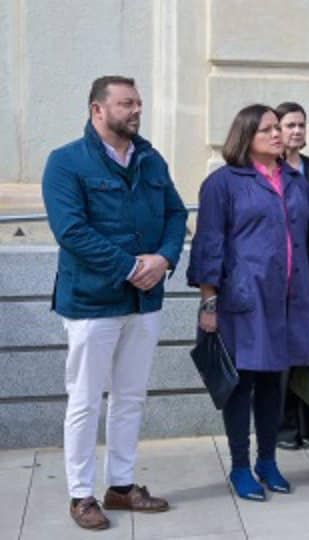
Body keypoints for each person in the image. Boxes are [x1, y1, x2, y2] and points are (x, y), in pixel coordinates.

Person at [43, 75, 184, 529]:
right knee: (85, 400)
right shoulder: (66, 162)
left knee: (131, 397)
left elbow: (177, 213)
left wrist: (163, 258)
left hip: (145, 303)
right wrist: (130, 267)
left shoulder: (150, 158)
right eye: (126, 103)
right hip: (92, 301)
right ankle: (81, 495)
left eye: (139, 102)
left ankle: (121, 486)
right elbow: (71, 231)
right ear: (97, 109)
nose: (136, 110)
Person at [190, 104, 309, 500]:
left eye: (280, 128)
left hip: (287, 297)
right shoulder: (223, 183)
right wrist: (209, 302)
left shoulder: (296, 180)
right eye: (268, 129)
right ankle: (241, 466)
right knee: (242, 384)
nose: (279, 135)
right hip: (243, 297)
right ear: (246, 136)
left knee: (275, 384)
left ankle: (268, 461)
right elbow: (209, 243)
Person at [275, 101, 309, 451]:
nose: (296, 131)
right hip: (282, 273)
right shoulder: (271, 170)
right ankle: (284, 428)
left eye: (300, 125)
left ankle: (308, 427)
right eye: (289, 125)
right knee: (283, 356)